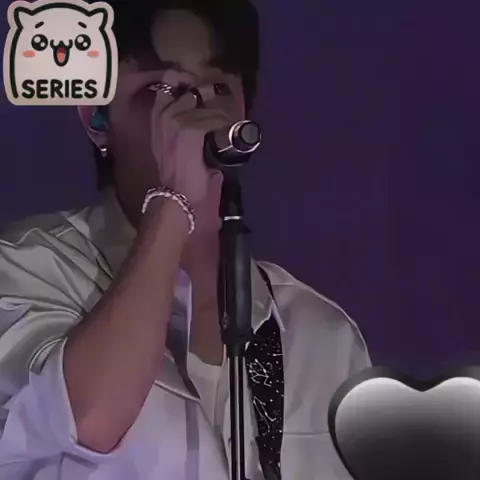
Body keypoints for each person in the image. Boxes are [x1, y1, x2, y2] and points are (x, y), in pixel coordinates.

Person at [0, 0, 370, 478]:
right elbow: (87, 419)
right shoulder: (30, 270)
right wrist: (173, 203)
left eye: (218, 88)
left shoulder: (322, 338)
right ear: (97, 117)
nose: (197, 116)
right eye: (163, 90)